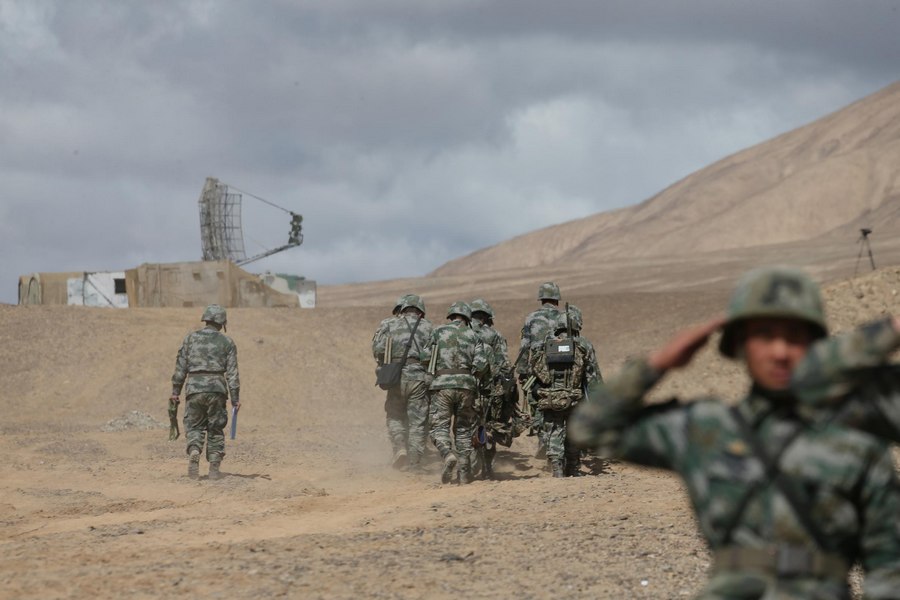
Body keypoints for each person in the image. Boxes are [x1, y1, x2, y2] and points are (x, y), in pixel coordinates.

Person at [568, 266, 900, 598]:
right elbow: (590, 428)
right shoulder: (706, 429)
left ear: (817, 347)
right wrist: (659, 362)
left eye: (795, 336)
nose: (780, 352)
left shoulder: (857, 444)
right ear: (740, 344)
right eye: (765, 335)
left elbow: (889, 570)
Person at [170, 304, 240, 481]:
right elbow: (232, 373)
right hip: (217, 389)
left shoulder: (190, 339)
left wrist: (175, 391)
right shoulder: (227, 342)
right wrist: (235, 398)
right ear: (222, 322)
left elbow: (180, 368)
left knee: (194, 426)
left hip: (194, 388)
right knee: (215, 428)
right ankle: (214, 468)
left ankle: (194, 450)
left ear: (206, 319)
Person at [529, 307, 601, 477]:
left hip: (550, 398)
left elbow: (535, 373)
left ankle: (557, 468)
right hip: (574, 397)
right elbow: (592, 375)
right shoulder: (583, 344)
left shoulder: (545, 345)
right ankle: (574, 468)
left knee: (555, 429)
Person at [428, 301, 488, 484]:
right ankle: (464, 475)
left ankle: (447, 454)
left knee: (439, 427)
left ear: (451, 315)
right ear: (467, 318)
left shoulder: (438, 332)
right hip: (466, 387)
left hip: (442, 386)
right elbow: (481, 364)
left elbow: (424, 357)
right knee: (463, 430)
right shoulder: (474, 335)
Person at [372, 294, 433, 471]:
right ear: (421, 311)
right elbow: (433, 354)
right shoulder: (429, 327)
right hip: (419, 378)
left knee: (394, 414)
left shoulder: (389, 324)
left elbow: (378, 350)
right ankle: (415, 463)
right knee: (417, 421)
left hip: (396, 376)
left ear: (403, 309)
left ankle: (399, 448)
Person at [469, 298, 520, 479]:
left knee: (466, 426)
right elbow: (504, 365)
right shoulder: (494, 335)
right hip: (489, 389)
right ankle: (487, 467)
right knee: (487, 425)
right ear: (486, 317)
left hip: (466, 388)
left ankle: (468, 466)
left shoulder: (462, 333)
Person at [516, 282, 562, 450]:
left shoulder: (531, 318)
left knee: (535, 401)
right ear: (557, 299)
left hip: (537, 369)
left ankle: (543, 437)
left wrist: (522, 371)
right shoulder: (564, 317)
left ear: (541, 299)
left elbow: (524, 347)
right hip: (563, 368)